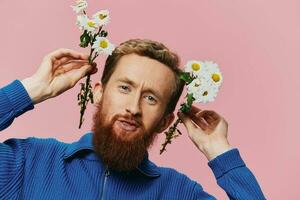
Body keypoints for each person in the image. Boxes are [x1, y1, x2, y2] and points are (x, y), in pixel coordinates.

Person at [0, 39, 266, 199]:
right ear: (99, 95)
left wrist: (220, 153)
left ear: (164, 121)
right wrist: (30, 90)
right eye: (125, 88)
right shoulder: (28, 162)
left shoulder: (179, 192)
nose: (133, 108)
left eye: (151, 98)